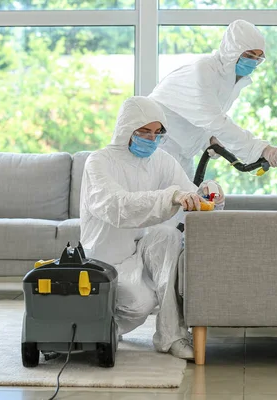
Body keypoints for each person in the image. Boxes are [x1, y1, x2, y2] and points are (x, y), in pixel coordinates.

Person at [79, 96, 225, 360]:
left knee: (169, 236)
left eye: (157, 133)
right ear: (126, 129)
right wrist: (169, 197)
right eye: (144, 131)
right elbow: (117, 207)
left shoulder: (162, 161)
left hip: (142, 251)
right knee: (139, 304)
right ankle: (106, 324)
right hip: (106, 258)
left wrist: (209, 194)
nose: (151, 139)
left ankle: (172, 336)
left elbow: (189, 196)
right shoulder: (99, 162)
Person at [149, 19, 277, 179]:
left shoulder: (231, 81)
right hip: (159, 145)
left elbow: (198, 117)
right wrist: (261, 149)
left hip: (183, 151)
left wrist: (209, 139)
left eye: (258, 58)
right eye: (249, 55)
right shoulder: (204, 71)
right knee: (158, 201)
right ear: (232, 50)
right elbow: (215, 121)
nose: (253, 62)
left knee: (185, 201)